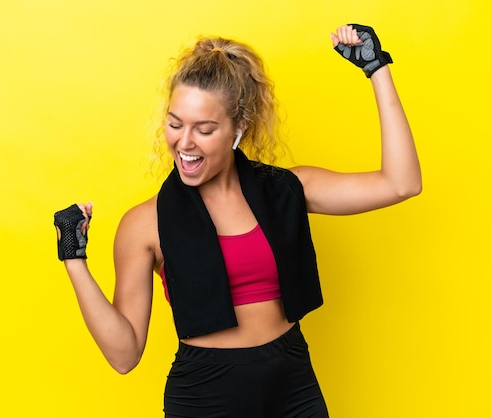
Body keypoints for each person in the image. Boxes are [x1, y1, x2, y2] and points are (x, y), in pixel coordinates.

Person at [53, 24, 421, 418]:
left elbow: (401, 184)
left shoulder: (287, 189)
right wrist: (73, 258)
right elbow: (124, 355)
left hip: (293, 384)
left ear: (238, 129)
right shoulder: (146, 224)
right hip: (205, 396)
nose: (185, 142)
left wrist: (376, 69)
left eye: (204, 129)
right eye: (175, 124)